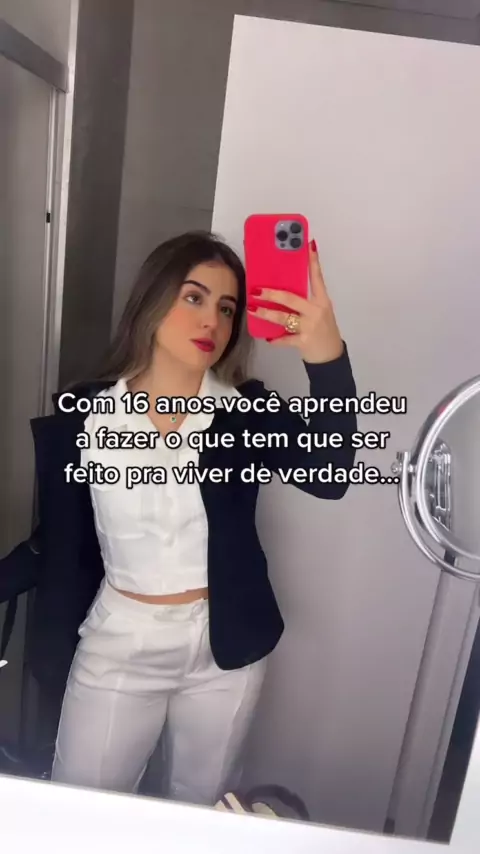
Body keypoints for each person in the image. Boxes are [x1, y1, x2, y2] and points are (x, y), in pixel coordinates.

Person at [0, 230, 357, 805]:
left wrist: (327, 356)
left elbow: (330, 474)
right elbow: (59, 542)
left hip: (224, 648)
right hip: (120, 639)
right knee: (84, 813)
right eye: (194, 297)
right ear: (153, 300)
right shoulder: (85, 421)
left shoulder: (246, 412)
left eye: (227, 308)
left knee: (202, 812)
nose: (211, 319)